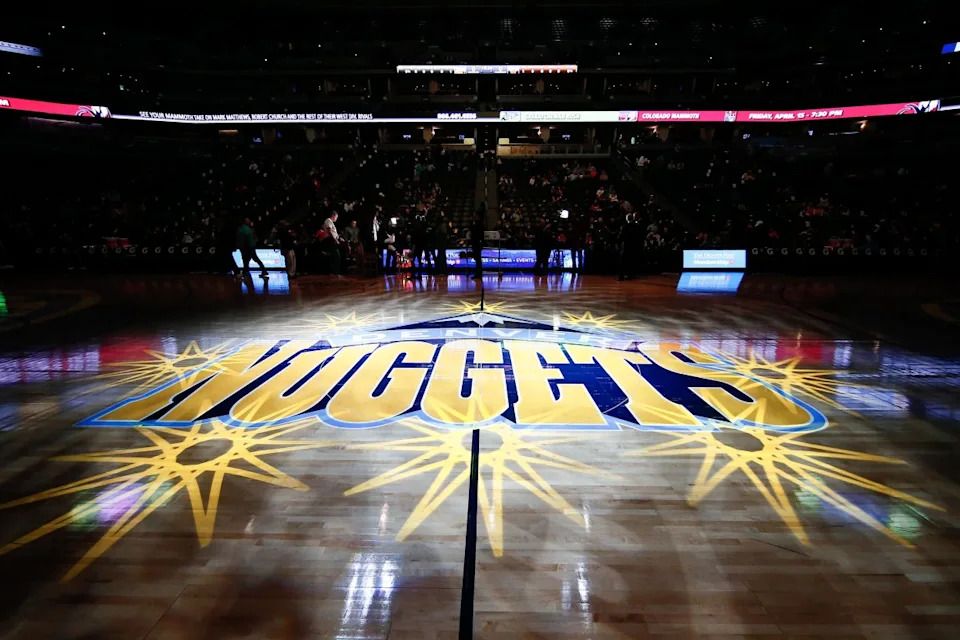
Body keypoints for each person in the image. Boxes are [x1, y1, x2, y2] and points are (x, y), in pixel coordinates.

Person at [469, 213, 485, 279]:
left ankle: (479, 274)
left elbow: (474, 231)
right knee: (477, 258)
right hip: (476, 242)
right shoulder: (477, 223)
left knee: (478, 258)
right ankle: (478, 273)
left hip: (477, 242)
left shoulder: (478, 224)